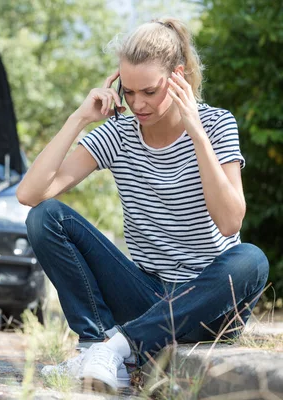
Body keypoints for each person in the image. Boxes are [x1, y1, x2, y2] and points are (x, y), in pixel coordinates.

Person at [16, 17, 269, 392]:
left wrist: (196, 132)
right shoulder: (118, 134)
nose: (137, 103)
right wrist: (79, 118)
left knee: (252, 259)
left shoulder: (216, 125)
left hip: (207, 305)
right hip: (146, 297)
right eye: (128, 91)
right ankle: (96, 347)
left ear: (177, 77)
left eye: (149, 91)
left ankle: (118, 346)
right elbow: (31, 194)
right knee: (45, 217)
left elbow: (230, 222)